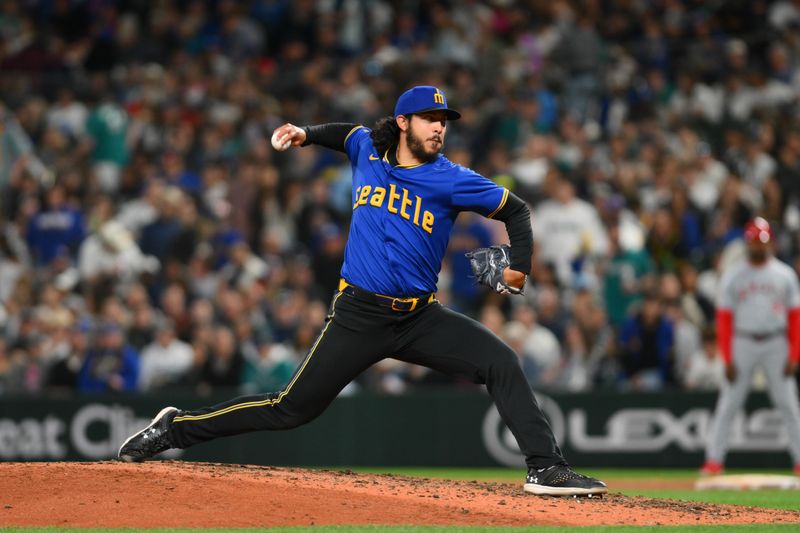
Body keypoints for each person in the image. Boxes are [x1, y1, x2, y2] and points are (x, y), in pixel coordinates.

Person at [118, 86, 607, 496]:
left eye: (444, 120)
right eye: (429, 118)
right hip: (358, 315)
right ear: (402, 122)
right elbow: (345, 133)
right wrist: (305, 134)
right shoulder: (367, 149)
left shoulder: (452, 179)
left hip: (419, 318)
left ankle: (545, 467)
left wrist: (517, 269)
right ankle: (174, 427)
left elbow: (517, 211)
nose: (440, 127)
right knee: (290, 409)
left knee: (500, 360)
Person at [700, 217, 800, 476]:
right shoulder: (733, 276)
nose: (759, 246)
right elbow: (724, 319)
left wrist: (794, 352)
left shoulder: (784, 274)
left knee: (788, 403)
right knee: (728, 403)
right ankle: (714, 461)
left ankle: (799, 460)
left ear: (770, 243)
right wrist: (727, 356)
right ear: (747, 242)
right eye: (755, 241)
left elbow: (795, 317)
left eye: (763, 241)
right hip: (742, 340)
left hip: (776, 341)